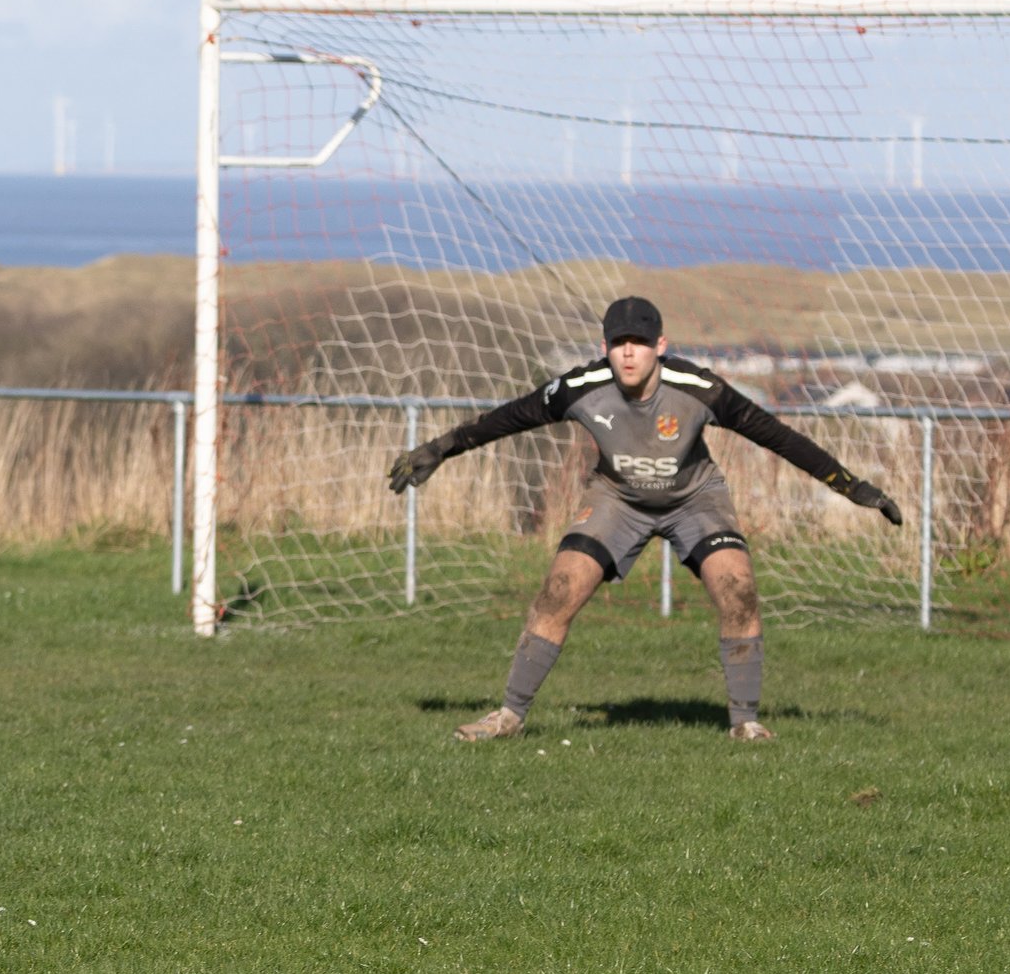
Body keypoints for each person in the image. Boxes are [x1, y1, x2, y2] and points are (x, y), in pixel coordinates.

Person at [386, 295, 904, 742]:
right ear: (606, 346)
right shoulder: (580, 386)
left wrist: (851, 487)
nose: (628, 352)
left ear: (661, 345)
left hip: (696, 498)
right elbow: (509, 417)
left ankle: (746, 724)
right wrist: (440, 448)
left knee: (738, 586)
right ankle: (508, 716)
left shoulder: (698, 388)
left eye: (639, 342)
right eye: (618, 342)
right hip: (617, 498)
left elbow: (777, 436)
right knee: (560, 587)